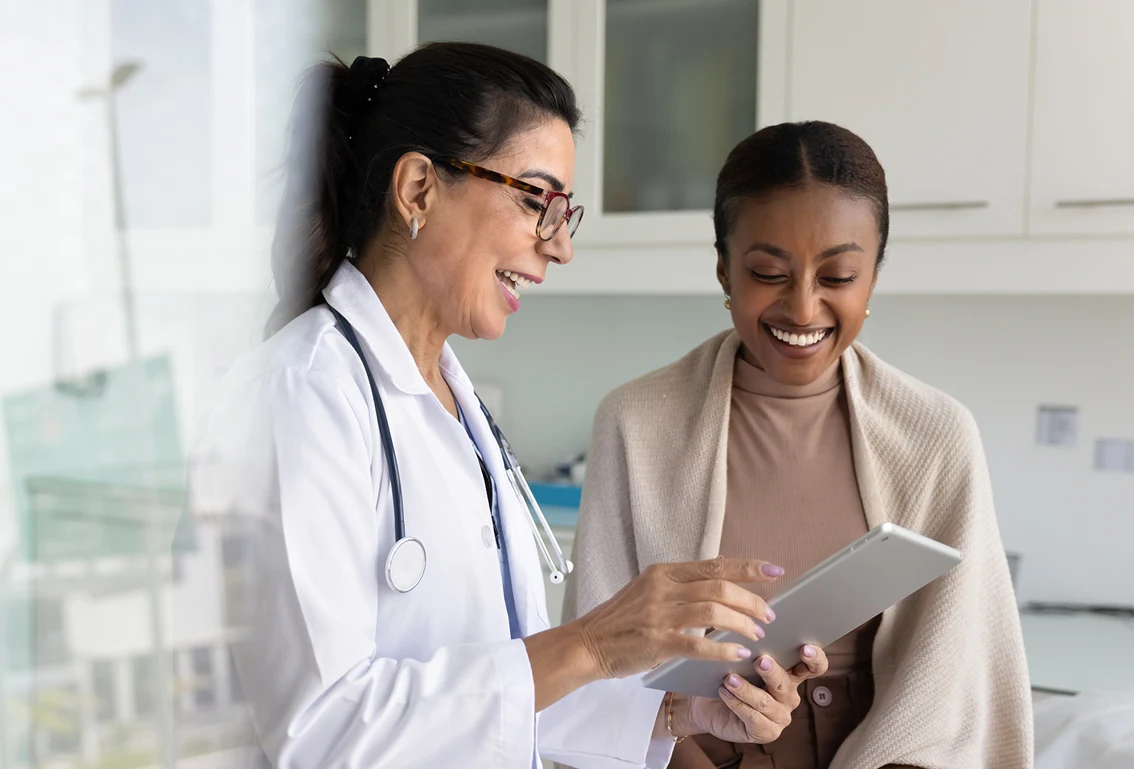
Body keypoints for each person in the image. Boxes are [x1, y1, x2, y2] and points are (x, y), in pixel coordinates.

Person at [189, 44, 831, 769]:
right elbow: (321, 733)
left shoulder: (458, 408)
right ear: (418, 189)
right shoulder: (298, 394)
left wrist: (685, 709)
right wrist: (591, 642)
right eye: (534, 201)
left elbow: (504, 691)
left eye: (563, 213)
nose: (558, 247)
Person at [562, 121, 1034, 769]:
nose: (804, 308)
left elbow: (954, 684)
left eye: (837, 275)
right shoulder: (635, 423)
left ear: (872, 277)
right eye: (767, 272)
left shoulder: (936, 435)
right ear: (724, 270)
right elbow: (597, 668)